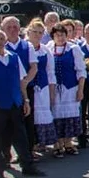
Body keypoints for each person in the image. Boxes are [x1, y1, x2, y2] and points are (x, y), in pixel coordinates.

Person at [0, 29, 45, 178]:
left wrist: (25, 100)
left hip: (14, 104)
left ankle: (28, 166)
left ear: (5, 41)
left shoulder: (14, 57)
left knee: (21, 137)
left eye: (1, 38)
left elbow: (21, 81)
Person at [45, 23, 86, 157]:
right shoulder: (48, 49)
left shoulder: (74, 49)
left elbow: (81, 71)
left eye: (62, 34)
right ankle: (57, 143)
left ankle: (68, 143)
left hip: (70, 88)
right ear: (53, 36)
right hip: (54, 88)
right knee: (55, 115)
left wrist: (80, 90)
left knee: (70, 116)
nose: (60, 37)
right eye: (57, 35)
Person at [1, 16, 38, 157]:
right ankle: (6, 153)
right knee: (7, 123)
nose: (12, 30)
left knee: (27, 120)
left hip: (26, 88)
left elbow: (34, 67)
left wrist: (26, 81)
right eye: (8, 27)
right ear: (3, 28)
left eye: (15, 27)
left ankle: (27, 152)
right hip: (6, 91)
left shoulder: (27, 45)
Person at [26, 20, 57, 152]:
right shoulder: (24, 47)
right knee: (28, 117)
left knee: (43, 115)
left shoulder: (45, 50)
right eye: (35, 32)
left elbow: (50, 72)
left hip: (43, 87)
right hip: (28, 87)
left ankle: (40, 143)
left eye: (40, 32)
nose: (38, 35)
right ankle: (29, 146)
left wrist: (51, 92)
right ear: (28, 32)